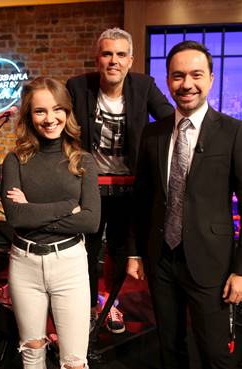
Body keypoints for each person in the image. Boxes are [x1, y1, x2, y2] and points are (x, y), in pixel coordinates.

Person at [126, 40, 242, 369]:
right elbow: (141, 200)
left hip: (212, 263)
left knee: (215, 354)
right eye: (178, 76)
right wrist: (135, 252)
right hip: (162, 259)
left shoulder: (234, 132)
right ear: (168, 81)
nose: (186, 84)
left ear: (211, 79)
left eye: (196, 75)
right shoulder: (153, 133)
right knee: (170, 348)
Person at [66, 27, 174, 333]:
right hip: (89, 185)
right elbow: (60, 124)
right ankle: (88, 307)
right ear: (97, 59)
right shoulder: (78, 87)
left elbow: (170, 120)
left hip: (129, 187)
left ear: (130, 60)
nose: (114, 60)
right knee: (85, 251)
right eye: (107, 54)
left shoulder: (144, 86)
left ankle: (110, 304)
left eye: (121, 54)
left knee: (118, 250)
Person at [1, 76, 100, 369]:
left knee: (75, 365)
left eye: (57, 109)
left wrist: (33, 209)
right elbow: (16, 218)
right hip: (24, 263)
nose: (50, 118)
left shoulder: (83, 161)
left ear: (67, 112)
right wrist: (68, 206)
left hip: (69, 264)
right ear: (29, 116)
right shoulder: (15, 160)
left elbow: (90, 221)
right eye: (40, 111)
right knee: (31, 349)